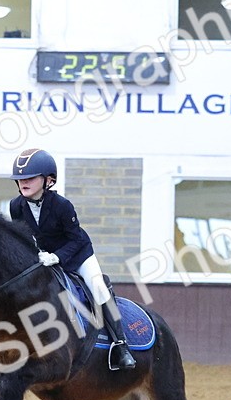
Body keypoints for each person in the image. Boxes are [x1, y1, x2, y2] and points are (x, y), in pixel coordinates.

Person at [7, 148, 136, 371]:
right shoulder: (15, 206)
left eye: (30, 177)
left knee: (98, 287)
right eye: (20, 178)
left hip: (76, 255)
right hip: (44, 258)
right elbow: (24, 237)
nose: (23, 182)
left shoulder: (62, 206)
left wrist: (57, 257)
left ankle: (120, 345)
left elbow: (76, 240)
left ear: (48, 180)